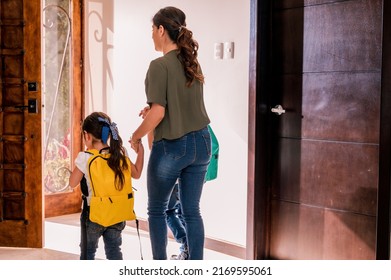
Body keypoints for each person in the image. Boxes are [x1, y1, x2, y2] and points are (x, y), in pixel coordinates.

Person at [130, 6, 211, 260]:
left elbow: (159, 114)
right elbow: (178, 104)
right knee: (192, 212)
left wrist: (135, 135)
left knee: (156, 209)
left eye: (152, 29)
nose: (152, 35)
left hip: (175, 147)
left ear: (162, 30)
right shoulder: (191, 63)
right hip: (203, 143)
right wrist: (154, 108)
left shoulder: (159, 65)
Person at [69, 112, 144, 260]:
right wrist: (140, 151)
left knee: (88, 252)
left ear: (87, 135)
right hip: (117, 213)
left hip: (93, 215)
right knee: (114, 250)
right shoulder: (120, 155)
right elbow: (137, 173)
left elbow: (72, 183)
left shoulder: (85, 157)